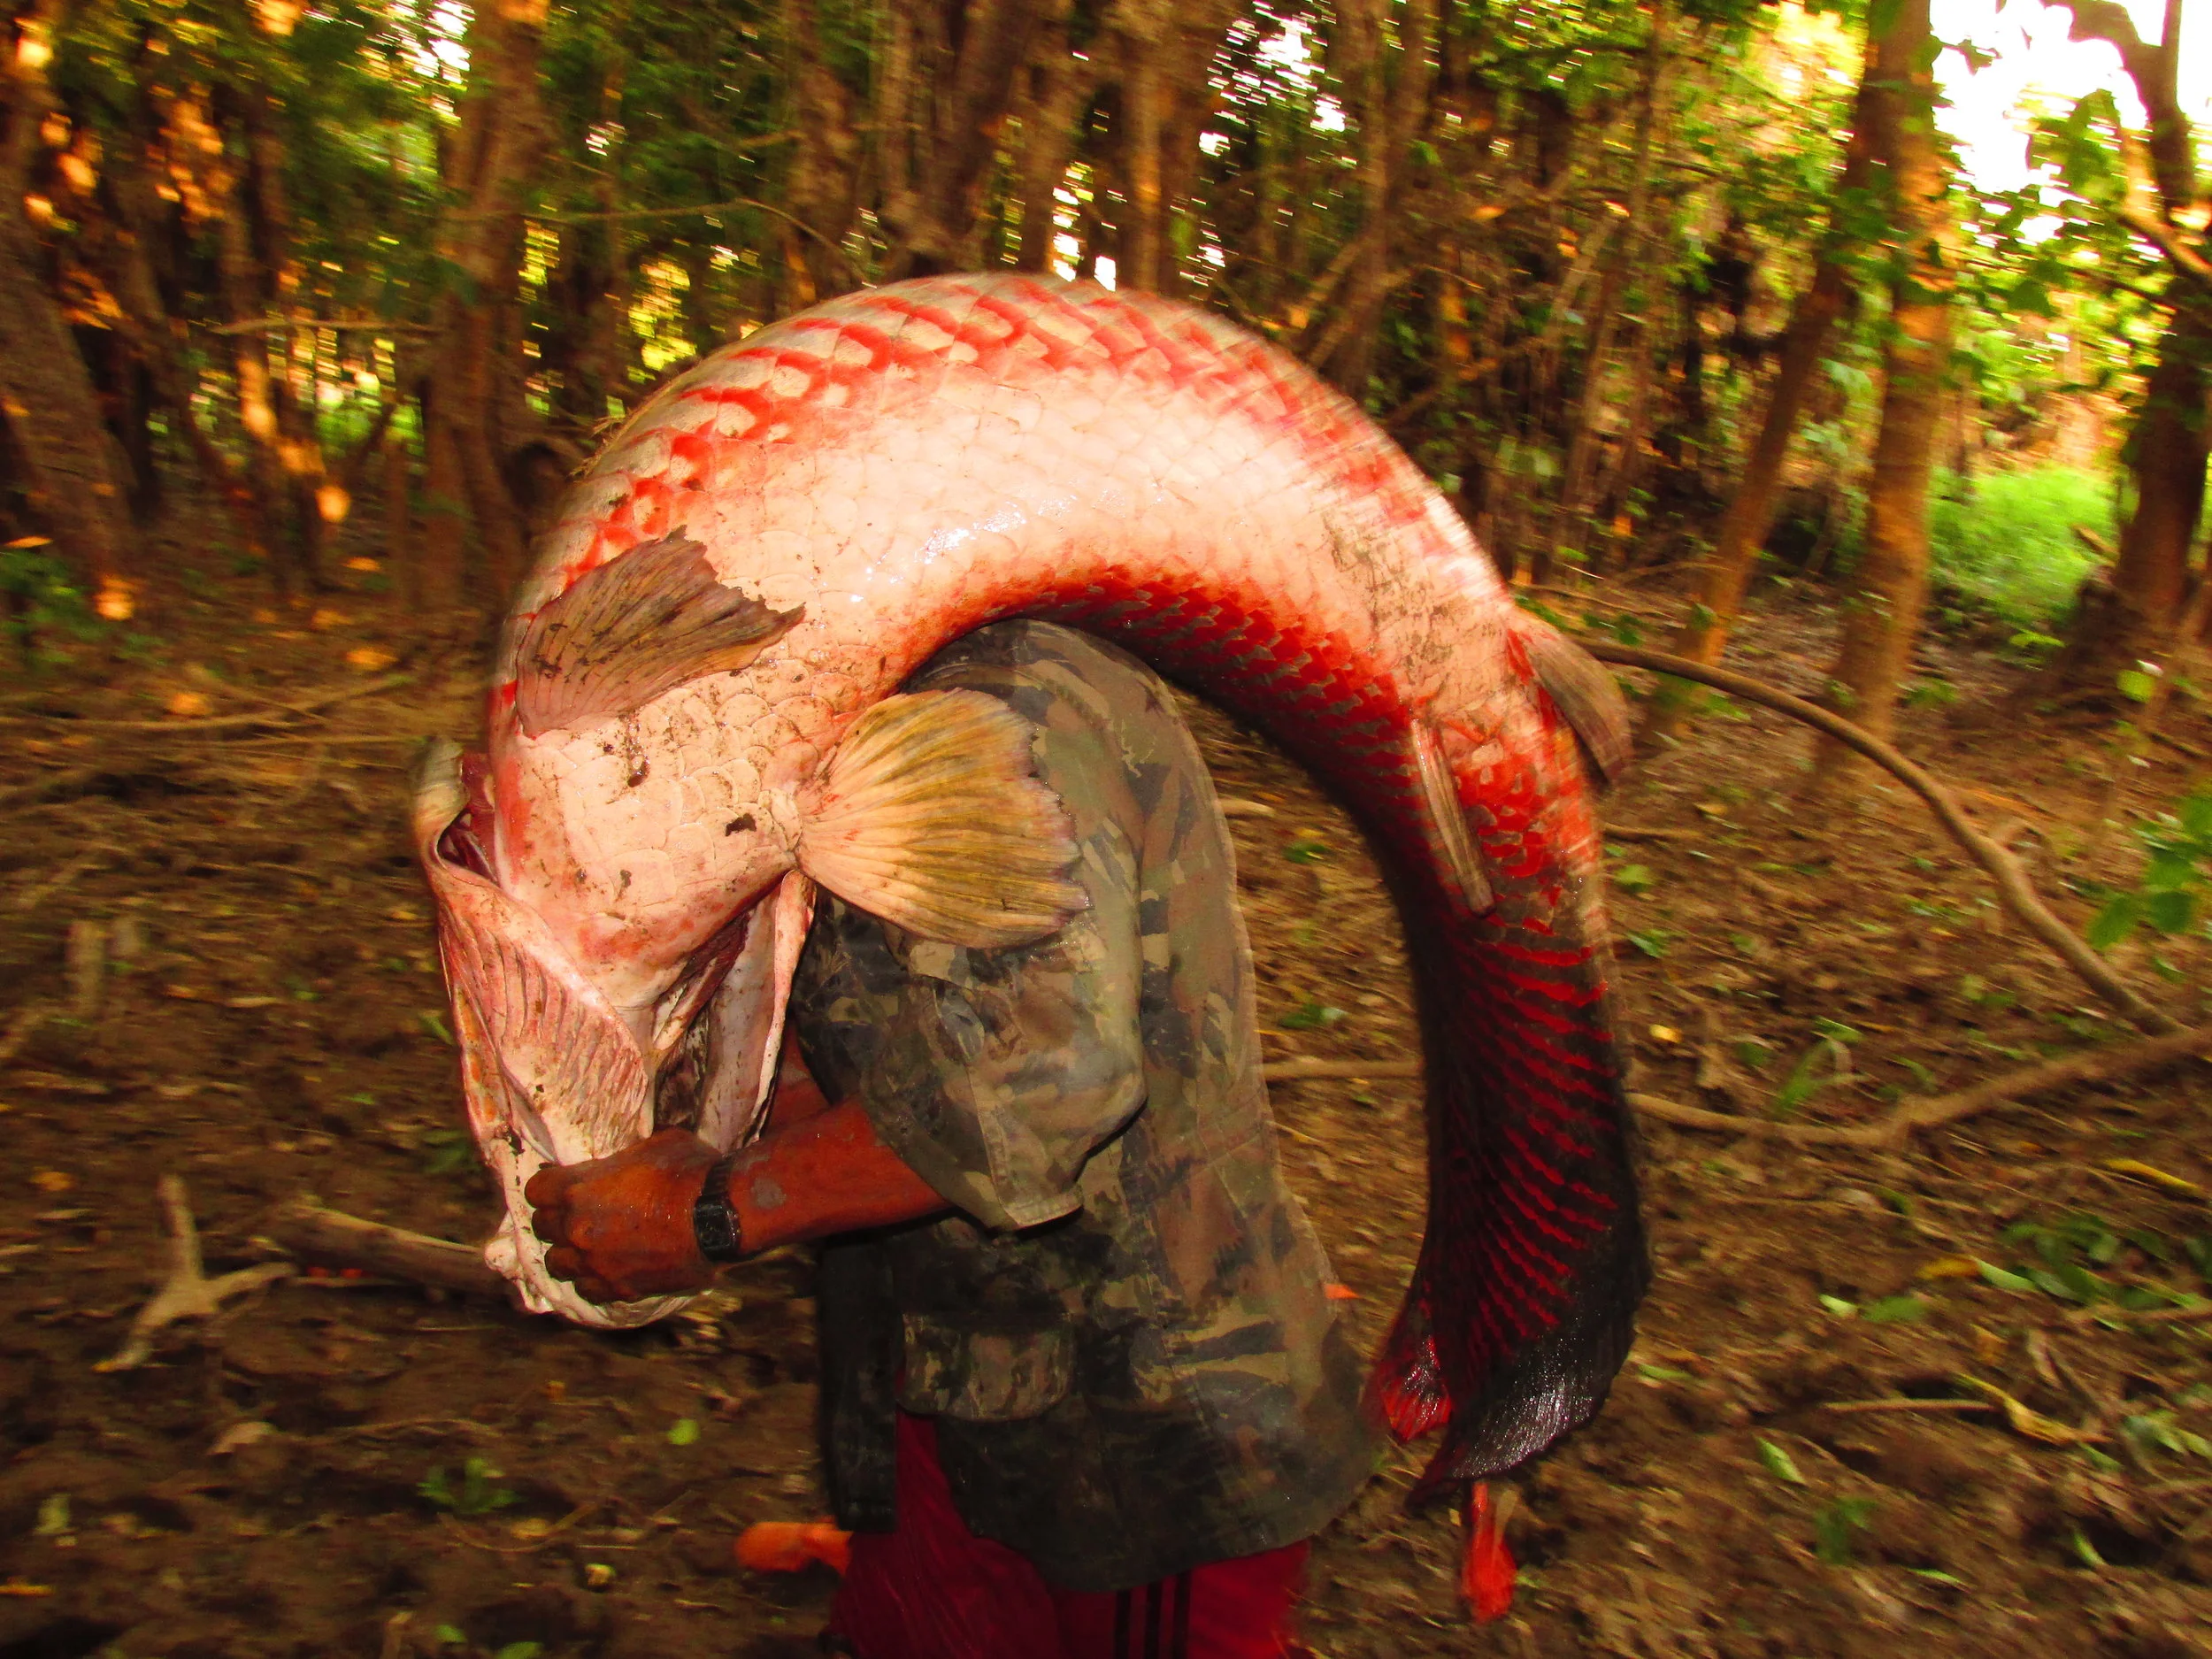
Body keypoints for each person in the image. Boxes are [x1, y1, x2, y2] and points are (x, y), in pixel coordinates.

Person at [525, 620, 1379, 1659]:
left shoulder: (1007, 697)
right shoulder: (859, 693)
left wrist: (712, 1214)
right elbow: (861, 1021)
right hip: (953, 1379)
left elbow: (1040, 1084)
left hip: (1140, 1422)